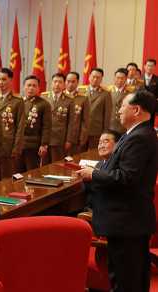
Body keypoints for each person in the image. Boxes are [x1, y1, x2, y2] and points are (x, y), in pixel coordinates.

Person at [77, 89, 157, 292]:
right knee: (131, 279)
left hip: (126, 222)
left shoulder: (139, 137)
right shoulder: (134, 134)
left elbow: (126, 178)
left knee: (125, 281)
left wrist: (92, 174)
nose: (118, 110)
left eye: (122, 106)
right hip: (128, 221)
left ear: (136, 109)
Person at [0, 68, 25, 177]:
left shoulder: (17, 101)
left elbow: (20, 126)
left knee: (6, 178)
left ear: (11, 80)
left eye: (4, 79)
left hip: (8, 145)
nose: (0, 82)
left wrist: (16, 148)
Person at [18, 75, 51, 171]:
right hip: (19, 145)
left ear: (38, 88)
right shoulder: (19, 102)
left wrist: (44, 144)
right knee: (17, 173)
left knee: (32, 172)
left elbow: (47, 126)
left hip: (33, 145)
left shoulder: (44, 104)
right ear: (24, 87)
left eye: (34, 86)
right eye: (28, 85)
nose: (31, 88)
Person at [41, 73, 74, 162]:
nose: (57, 84)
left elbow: (71, 123)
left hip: (59, 139)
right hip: (44, 139)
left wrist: (69, 140)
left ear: (64, 85)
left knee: (57, 165)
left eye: (60, 82)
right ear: (51, 83)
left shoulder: (69, 100)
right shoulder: (43, 98)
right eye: (55, 82)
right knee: (43, 166)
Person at [65, 71, 90, 155]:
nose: (70, 84)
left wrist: (82, 138)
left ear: (77, 82)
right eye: (68, 81)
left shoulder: (83, 99)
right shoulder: (60, 97)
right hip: (59, 138)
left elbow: (85, 121)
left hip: (75, 138)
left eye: (73, 82)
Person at [108, 68, 131, 135]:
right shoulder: (107, 90)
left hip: (124, 126)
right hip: (110, 125)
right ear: (114, 78)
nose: (119, 80)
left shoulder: (131, 92)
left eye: (122, 78)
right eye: (117, 78)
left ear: (126, 78)